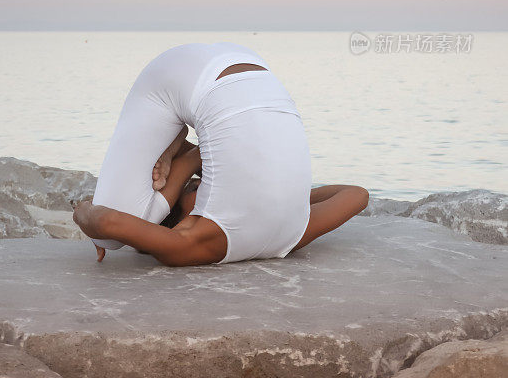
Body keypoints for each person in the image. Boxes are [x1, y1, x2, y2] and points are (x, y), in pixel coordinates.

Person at [73, 42, 368, 265]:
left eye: (192, 184)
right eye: (194, 184)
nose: (201, 182)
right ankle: (179, 145)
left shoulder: (192, 244)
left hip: (248, 75)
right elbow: (358, 194)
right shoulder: (292, 233)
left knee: (108, 239)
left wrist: (81, 210)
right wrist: (85, 214)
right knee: (107, 239)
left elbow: (107, 225)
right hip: (242, 70)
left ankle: (179, 144)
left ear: (178, 222)